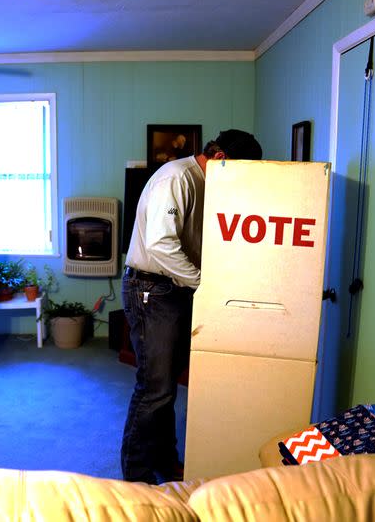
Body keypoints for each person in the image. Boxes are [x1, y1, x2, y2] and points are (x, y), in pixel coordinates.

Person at [121, 129, 263, 484]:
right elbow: (161, 244)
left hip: (172, 289)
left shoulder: (203, 182)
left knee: (165, 386)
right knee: (154, 387)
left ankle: (166, 462)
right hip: (151, 290)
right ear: (219, 158)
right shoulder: (178, 177)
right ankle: (136, 478)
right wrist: (205, 283)